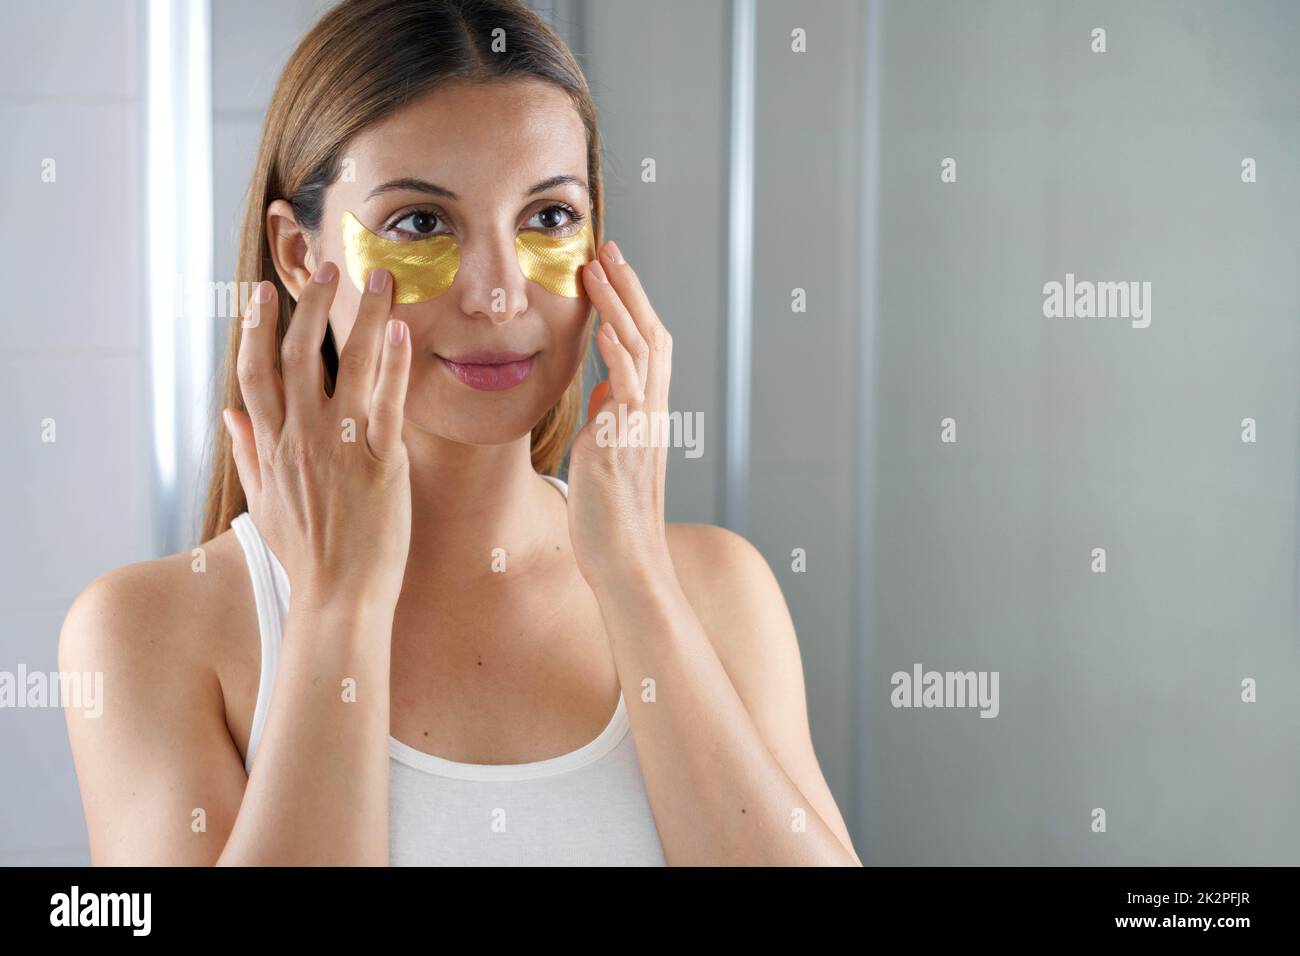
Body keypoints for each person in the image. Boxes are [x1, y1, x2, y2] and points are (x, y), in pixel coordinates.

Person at [60, 0, 860, 866]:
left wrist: (635, 581)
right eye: (421, 224)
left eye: (548, 218)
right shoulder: (148, 632)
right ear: (297, 256)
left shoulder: (718, 591)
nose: (498, 292)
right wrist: (337, 609)